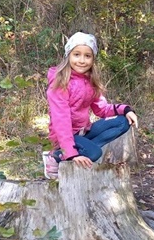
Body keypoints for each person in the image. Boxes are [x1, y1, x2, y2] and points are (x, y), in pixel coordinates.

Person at [42, 32, 138, 179]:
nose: (82, 60)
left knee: (122, 122)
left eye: (87, 56)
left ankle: (79, 150)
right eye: (77, 54)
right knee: (94, 153)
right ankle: (57, 155)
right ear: (68, 55)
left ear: (93, 59)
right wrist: (70, 152)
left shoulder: (90, 81)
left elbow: (102, 109)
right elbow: (61, 121)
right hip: (64, 135)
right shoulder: (60, 83)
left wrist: (125, 110)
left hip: (83, 132)